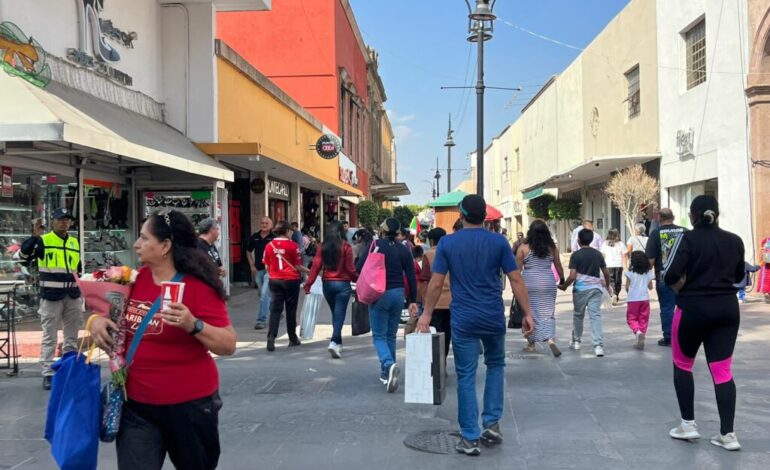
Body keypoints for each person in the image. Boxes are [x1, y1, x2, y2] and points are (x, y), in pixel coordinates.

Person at [89, 209, 236, 469]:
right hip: (136, 405)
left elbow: (228, 344)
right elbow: (110, 314)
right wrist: (96, 321)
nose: (136, 244)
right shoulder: (134, 279)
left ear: (165, 246)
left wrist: (194, 324)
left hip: (190, 405)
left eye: (144, 238)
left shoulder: (198, 286)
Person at [417, 195, 534, 456]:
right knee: (495, 365)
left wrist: (426, 315)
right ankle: (491, 423)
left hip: (464, 318)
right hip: (493, 316)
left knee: (466, 375)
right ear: (485, 217)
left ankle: (470, 437)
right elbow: (516, 279)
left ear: (461, 215)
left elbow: (436, 283)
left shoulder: (448, 243)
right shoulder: (499, 242)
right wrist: (528, 313)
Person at [664, 195, 745, 451]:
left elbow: (669, 274)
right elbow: (739, 275)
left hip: (692, 309)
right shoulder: (735, 240)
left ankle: (688, 424)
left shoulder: (686, 239)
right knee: (722, 371)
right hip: (727, 310)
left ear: (693, 215)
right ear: (716, 214)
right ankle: (728, 434)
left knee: (682, 365)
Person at [20, 209, 82, 390]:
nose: (64, 222)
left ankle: (69, 369)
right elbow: (23, 258)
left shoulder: (74, 242)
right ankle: (48, 373)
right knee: (50, 337)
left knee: (71, 337)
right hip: (51, 296)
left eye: (67, 220)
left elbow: (77, 268)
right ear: (53, 222)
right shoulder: (43, 241)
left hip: (72, 295)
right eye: (60, 219)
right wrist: (34, 237)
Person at [356, 218, 417, 393]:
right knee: (391, 335)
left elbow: (359, 267)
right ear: (398, 232)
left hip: (379, 293)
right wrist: (412, 300)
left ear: (382, 230)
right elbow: (411, 276)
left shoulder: (375, 245)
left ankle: (389, 364)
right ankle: (387, 374)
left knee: (379, 336)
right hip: (398, 294)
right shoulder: (404, 248)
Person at [304, 221, 358, 359]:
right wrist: (357, 279)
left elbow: (316, 266)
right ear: (341, 231)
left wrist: (308, 284)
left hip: (327, 284)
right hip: (343, 285)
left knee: (335, 313)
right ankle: (334, 341)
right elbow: (350, 268)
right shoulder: (346, 246)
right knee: (339, 314)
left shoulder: (323, 246)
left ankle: (338, 343)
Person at [560, 229, 612, 357]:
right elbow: (606, 272)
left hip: (580, 290)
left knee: (578, 315)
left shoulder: (576, 255)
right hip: (596, 289)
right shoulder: (598, 254)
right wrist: (607, 285)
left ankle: (576, 341)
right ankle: (598, 346)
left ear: (578, 240)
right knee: (595, 316)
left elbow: (572, 276)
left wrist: (564, 286)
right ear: (591, 240)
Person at [517, 219, 565, 357]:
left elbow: (517, 270)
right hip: (548, 281)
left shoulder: (523, 248)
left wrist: (517, 286)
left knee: (529, 311)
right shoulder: (552, 248)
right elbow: (558, 265)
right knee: (548, 312)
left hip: (529, 282)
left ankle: (531, 343)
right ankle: (550, 339)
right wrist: (562, 279)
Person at [263, 221, 309, 351]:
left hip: (275, 280)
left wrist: (274, 273)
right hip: (291, 280)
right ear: (287, 231)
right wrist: (310, 271)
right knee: (291, 309)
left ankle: (271, 337)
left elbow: (266, 266)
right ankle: (292, 338)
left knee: (275, 309)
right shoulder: (293, 246)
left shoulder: (269, 245)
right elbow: (297, 266)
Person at [646, 208, 687, 346]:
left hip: (664, 277)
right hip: (684, 278)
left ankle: (669, 337)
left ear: (659, 218)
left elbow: (650, 261)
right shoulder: (685, 232)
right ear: (673, 217)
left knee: (667, 308)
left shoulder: (655, 234)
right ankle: (684, 335)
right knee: (685, 307)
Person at [417, 228, 453, 358]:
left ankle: (438, 363)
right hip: (451, 301)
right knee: (447, 334)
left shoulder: (429, 255)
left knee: (436, 335)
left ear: (431, 241)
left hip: (434, 302)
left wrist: (420, 300)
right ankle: (443, 360)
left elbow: (424, 280)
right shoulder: (451, 253)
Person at [246, 217, 275, 330]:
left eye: (267, 223)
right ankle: (275, 310)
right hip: (258, 270)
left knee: (264, 294)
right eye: (262, 223)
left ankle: (261, 320)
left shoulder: (274, 238)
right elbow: (248, 251)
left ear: (271, 225)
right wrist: (251, 265)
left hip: (270, 271)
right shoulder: (255, 236)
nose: (264, 225)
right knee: (262, 293)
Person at [624, 251, 654, 350]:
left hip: (633, 299)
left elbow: (627, 287)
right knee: (643, 319)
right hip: (645, 299)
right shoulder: (648, 273)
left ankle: (638, 332)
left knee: (631, 318)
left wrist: (629, 291)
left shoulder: (630, 273)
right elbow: (650, 287)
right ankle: (641, 336)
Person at [601, 228, 625, 305]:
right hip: (618, 265)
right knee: (618, 280)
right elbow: (624, 255)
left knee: (610, 280)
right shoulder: (620, 244)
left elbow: (603, 255)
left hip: (608, 264)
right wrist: (625, 265)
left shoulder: (605, 243)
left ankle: (613, 295)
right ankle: (616, 294)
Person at [757, 236, 770, 303]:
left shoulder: (766, 240)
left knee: (764, 280)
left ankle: (766, 294)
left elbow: (762, 252)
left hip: (765, 265)